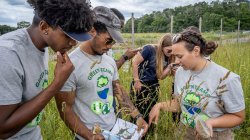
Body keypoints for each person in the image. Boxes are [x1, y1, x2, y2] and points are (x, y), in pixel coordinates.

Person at [0, 0, 94, 139]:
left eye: (76, 38)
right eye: (68, 36)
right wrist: (57, 83)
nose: (73, 43)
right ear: (44, 27)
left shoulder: (42, 46)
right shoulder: (8, 54)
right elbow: (3, 129)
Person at [55, 6, 148, 140]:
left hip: (115, 129)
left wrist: (137, 116)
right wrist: (89, 136)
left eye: (113, 42)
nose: (110, 46)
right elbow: (65, 110)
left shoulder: (109, 61)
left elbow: (119, 92)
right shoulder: (70, 64)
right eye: (108, 40)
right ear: (92, 31)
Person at [149, 28, 245, 139]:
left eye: (180, 56)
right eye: (173, 56)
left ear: (196, 51)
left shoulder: (227, 78)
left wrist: (210, 123)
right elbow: (179, 103)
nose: (176, 62)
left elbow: (238, 116)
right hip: (184, 130)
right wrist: (159, 105)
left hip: (213, 134)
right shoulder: (180, 72)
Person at [131, 33, 174, 122]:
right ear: (162, 46)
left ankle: (148, 131)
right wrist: (136, 80)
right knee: (138, 112)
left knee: (150, 111)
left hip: (153, 85)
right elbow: (135, 62)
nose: (170, 53)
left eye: (172, 51)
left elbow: (160, 76)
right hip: (141, 83)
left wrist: (169, 67)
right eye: (169, 50)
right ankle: (135, 132)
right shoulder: (149, 49)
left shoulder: (167, 57)